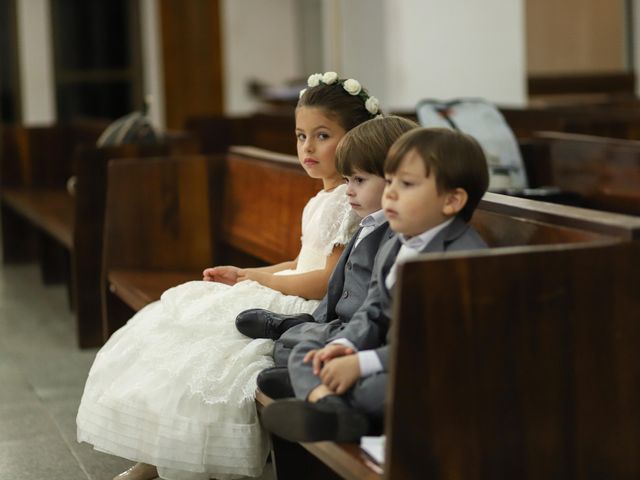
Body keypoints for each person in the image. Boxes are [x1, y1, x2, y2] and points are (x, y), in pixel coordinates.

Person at [76, 72, 381, 480]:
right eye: (300, 136)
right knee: (177, 333)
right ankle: (156, 458)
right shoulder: (324, 196)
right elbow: (300, 260)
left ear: (356, 138)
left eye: (322, 136)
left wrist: (261, 283)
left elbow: (324, 280)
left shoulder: (348, 200)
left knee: (209, 351)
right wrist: (246, 273)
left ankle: (163, 462)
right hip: (290, 288)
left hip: (307, 305)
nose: (307, 147)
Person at [261, 127, 490, 443]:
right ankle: (333, 407)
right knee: (309, 352)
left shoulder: (463, 259)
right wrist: (344, 347)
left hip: (427, 367)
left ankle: (323, 401)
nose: (391, 193)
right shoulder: (397, 242)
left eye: (406, 184)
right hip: (381, 351)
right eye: (391, 181)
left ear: (452, 200)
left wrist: (362, 363)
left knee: (388, 386)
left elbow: (434, 347)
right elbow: (373, 311)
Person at [235, 115, 419, 398]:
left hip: (359, 332)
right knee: (288, 346)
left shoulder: (396, 234)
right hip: (338, 325)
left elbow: (376, 306)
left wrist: (341, 340)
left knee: (294, 349)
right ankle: (299, 333)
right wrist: (319, 320)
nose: (348, 190)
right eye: (347, 180)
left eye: (359, 179)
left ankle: (313, 383)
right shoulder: (368, 223)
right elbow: (338, 281)